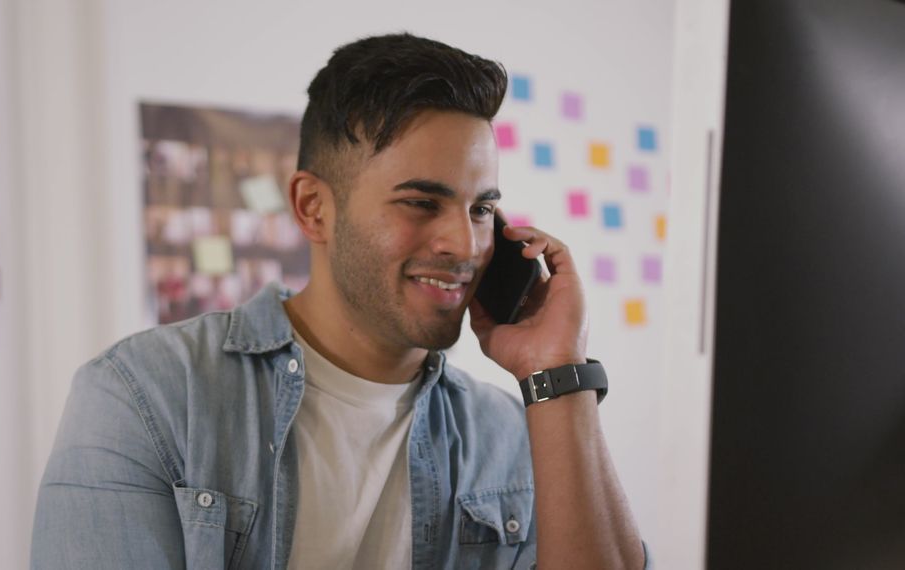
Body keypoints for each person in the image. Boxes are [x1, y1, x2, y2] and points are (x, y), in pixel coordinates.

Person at [32, 33, 647, 569]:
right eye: (421, 202)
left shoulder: (507, 434)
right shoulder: (145, 398)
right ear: (312, 208)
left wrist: (556, 373)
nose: (466, 244)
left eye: (481, 208)